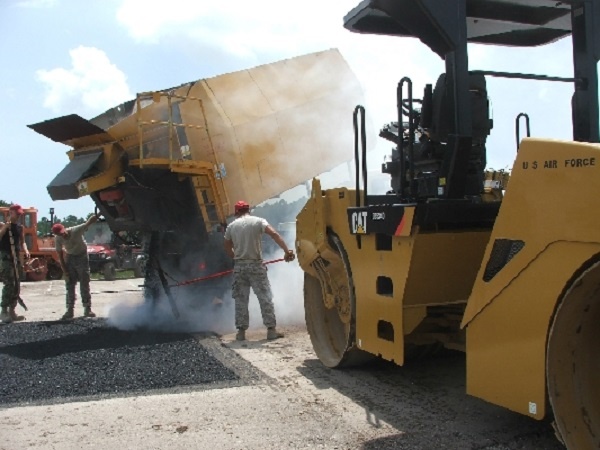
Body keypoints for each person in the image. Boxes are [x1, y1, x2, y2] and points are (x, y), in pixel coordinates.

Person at [223, 200, 295, 341]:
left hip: (240, 267)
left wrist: (236, 257)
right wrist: (287, 251)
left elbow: (226, 246)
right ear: (249, 210)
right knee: (265, 297)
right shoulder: (258, 221)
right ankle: (271, 330)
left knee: (240, 299)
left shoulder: (231, 226)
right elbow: (274, 234)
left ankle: (241, 333)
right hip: (256, 265)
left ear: (236, 212)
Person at [52, 213, 100, 320]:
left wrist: (98, 213)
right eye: (60, 234)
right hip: (70, 258)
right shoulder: (58, 239)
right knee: (70, 284)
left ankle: (87, 308)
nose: (62, 235)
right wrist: (65, 271)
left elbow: (89, 222)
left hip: (82, 256)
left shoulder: (76, 230)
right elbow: (60, 255)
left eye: (63, 233)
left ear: (64, 229)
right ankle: (69, 310)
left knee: (84, 282)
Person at [0, 204, 29, 323]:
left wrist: (26, 250)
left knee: (17, 284)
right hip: (6, 257)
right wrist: (5, 227)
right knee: (9, 283)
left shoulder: (19, 227)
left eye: (19, 214)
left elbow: (22, 242)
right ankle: (4, 311)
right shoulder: (3, 225)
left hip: (16, 257)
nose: (18, 216)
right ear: (10, 213)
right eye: (16, 214)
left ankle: (12, 310)